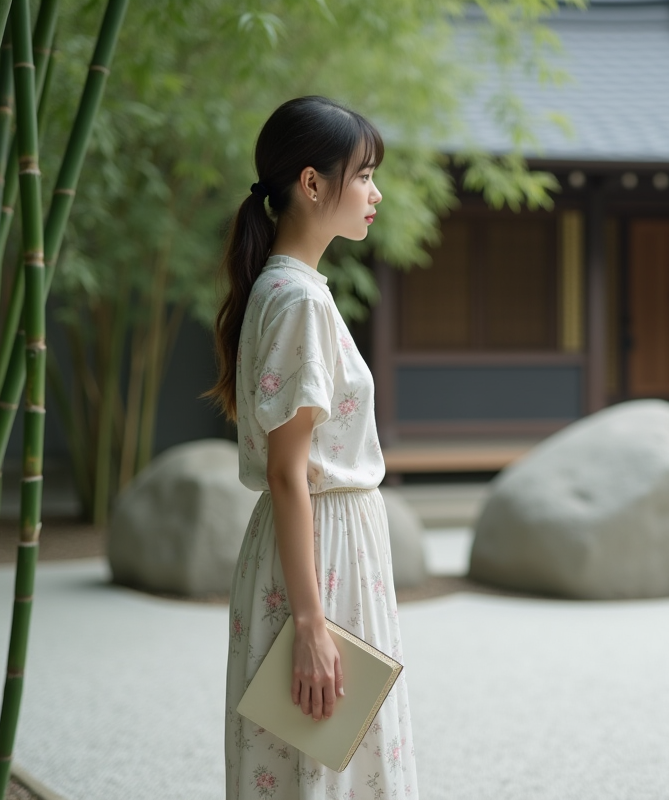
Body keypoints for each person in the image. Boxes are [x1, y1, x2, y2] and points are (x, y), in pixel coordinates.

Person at [201, 95, 418, 799]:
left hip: (315, 548)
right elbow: (288, 474)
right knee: (328, 762)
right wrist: (311, 624)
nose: (375, 193)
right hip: (322, 554)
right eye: (365, 176)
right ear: (312, 183)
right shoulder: (298, 299)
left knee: (312, 761)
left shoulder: (285, 289)